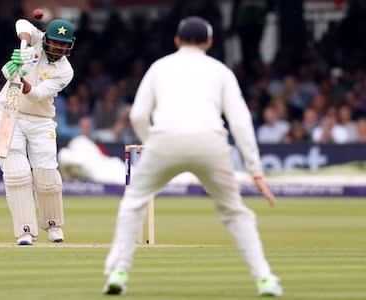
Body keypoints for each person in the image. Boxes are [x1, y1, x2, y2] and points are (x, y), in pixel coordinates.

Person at [103, 16, 283, 297]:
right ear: (209, 42)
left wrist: (152, 144)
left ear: (177, 40)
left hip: (165, 140)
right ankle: (265, 279)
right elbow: (240, 122)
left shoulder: (159, 68)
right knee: (236, 213)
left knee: (133, 203)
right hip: (211, 142)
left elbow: (138, 115)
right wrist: (255, 171)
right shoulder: (220, 70)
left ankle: (118, 270)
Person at [0, 17, 75, 245]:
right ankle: (25, 231)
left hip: (41, 119)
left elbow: (38, 94)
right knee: (16, 171)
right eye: (55, 42)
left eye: (63, 44)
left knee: (47, 173)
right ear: (46, 37)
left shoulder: (66, 71)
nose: (58, 47)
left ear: (69, 46)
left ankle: (54, 225)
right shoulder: (36, 41)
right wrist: (21, 49)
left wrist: (21, 79)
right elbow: (21, 22)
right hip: (10, 111)